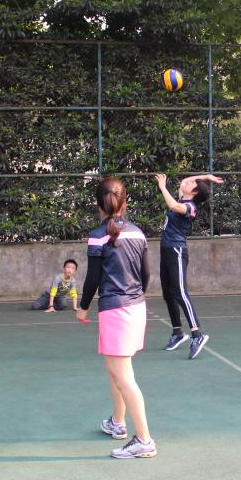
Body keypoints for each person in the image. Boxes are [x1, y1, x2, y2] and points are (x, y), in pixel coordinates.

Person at [78, 177, 156, 459]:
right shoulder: (138, 233)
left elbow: (93, 278)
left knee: (123, 377)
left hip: (116, 310)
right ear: (125, 202)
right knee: (117, 370)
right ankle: (117, 422)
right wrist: (133, 298)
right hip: (135, 308)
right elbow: (146, 275)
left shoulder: (98, 235)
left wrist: (83, 307)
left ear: (99, 204)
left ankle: (144, 440)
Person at [154, 172, 224, 360]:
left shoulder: (190, 207)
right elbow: (184, 181)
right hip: (166, 250)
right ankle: (177, 332)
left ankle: (197, 334)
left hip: (177, 251)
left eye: (193, 183)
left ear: (194, 192)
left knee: (180, 293)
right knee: (168, 294)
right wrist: (207, 176)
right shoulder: (183, 197)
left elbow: (172, 206)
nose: (188, 182)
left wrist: (162, 187)